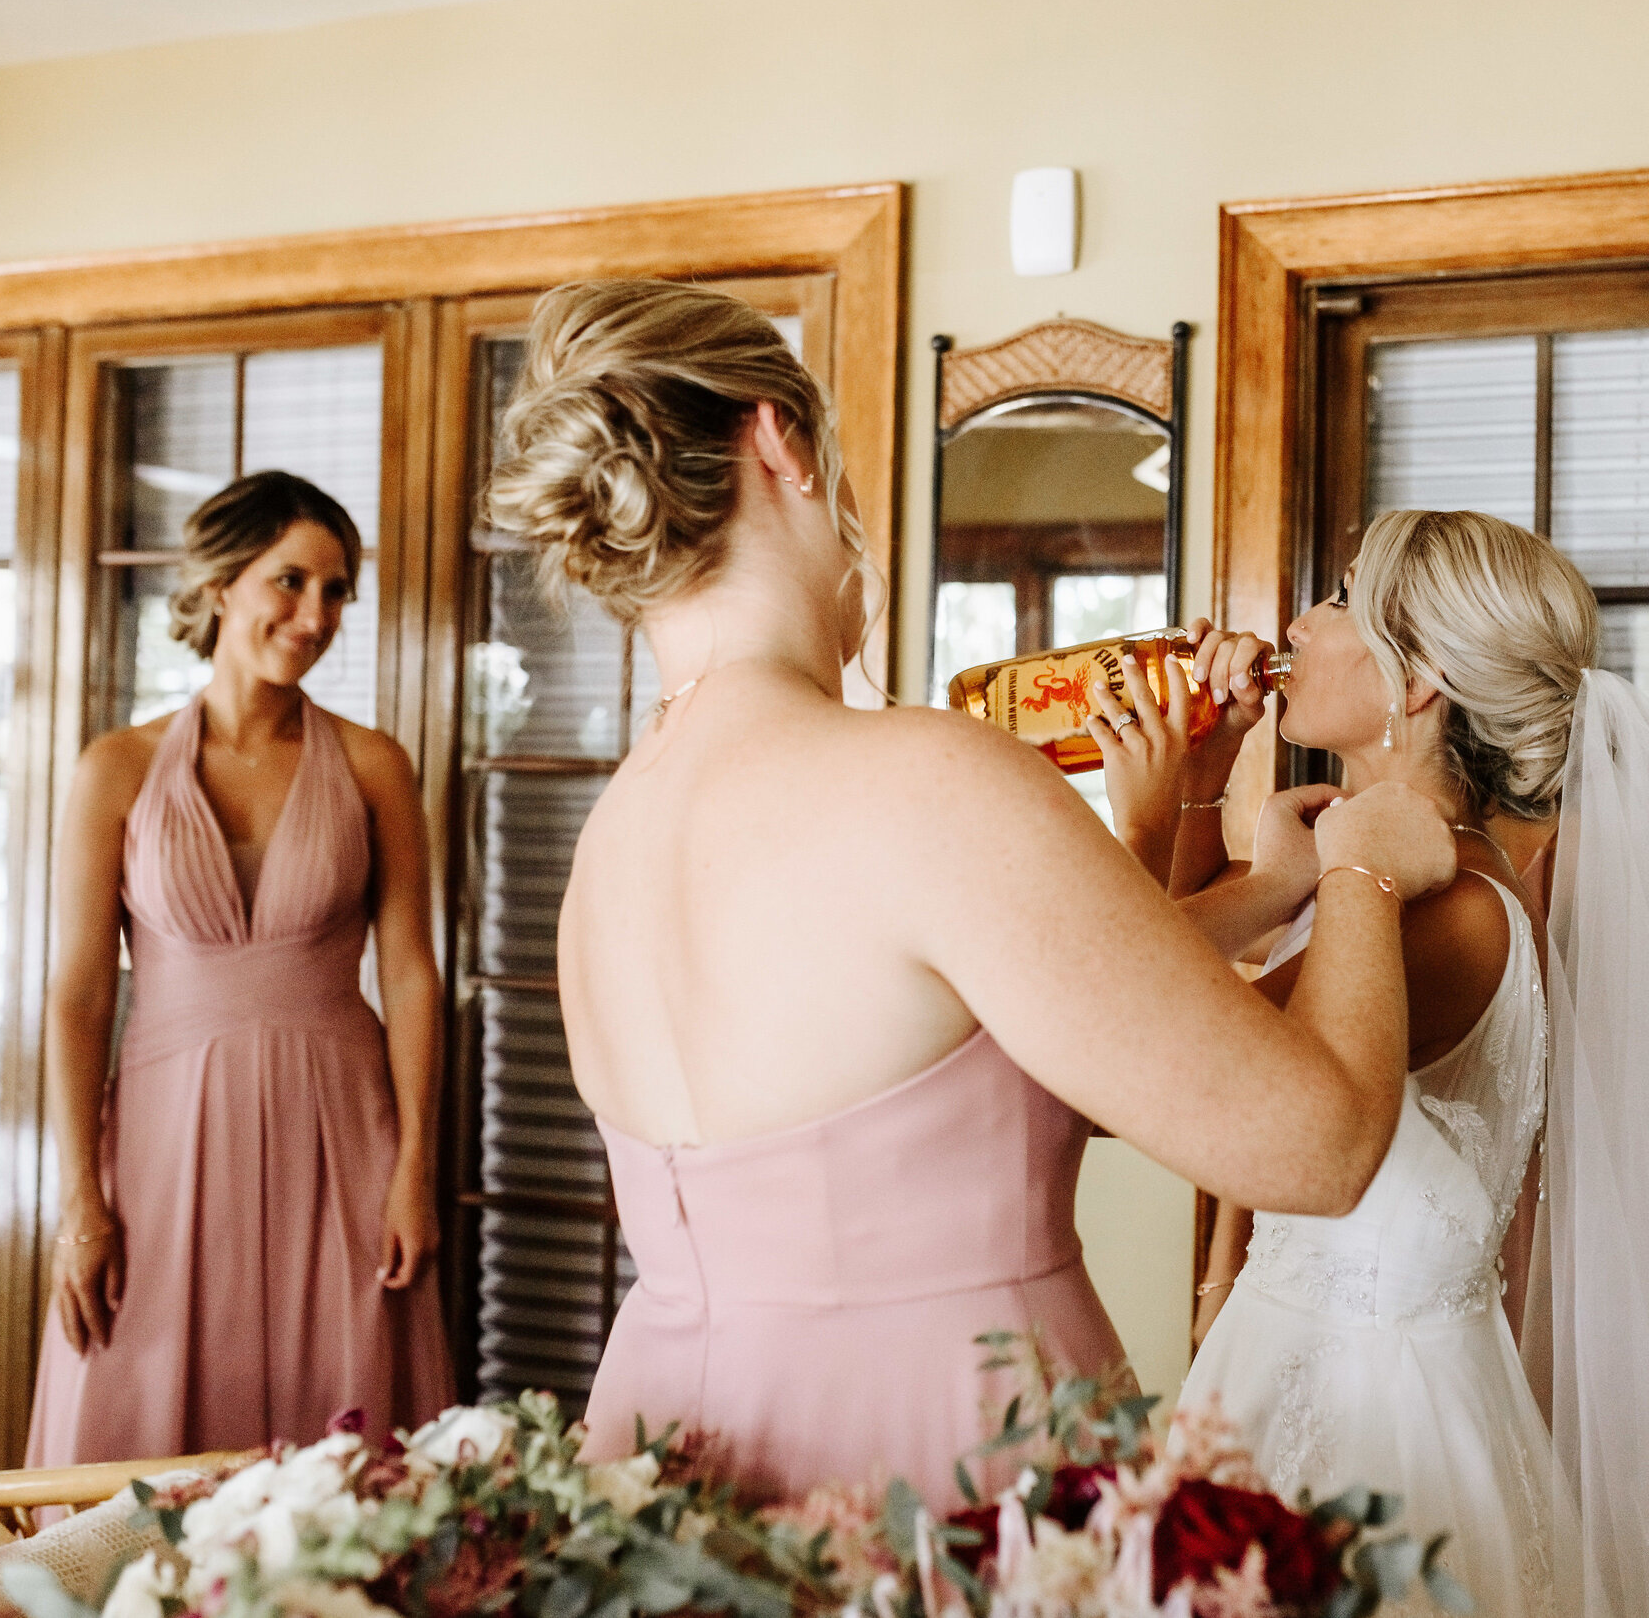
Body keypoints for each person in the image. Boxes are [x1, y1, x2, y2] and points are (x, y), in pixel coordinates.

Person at [482, 279, 1456, 1507]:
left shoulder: (614, 831)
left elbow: (961, 1028)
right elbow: (1314, 1148)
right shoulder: (923, 774)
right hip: (932, 1452)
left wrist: (1264, 887)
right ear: (779, 445)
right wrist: (1365, 867)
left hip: (665, 1454)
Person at [1101, 509, 1649, 1618]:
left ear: (1418, 682)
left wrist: (1145, 813)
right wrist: (1212, 783)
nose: (1300, 621)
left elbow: (1172, 1051)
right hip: (1297, 1358)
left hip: (1368, 1424)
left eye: (1343, 599)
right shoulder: (1383, 870)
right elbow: (1219, 1004)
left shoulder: (1441, 913)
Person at [27, 472, 453, 1464]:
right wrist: (80, 1199)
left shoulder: (375, 764)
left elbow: (413, 977)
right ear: (223, 584)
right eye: (291, 581)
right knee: (134, 1394)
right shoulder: (116, 769)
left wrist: (415, 1170)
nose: (315, 615)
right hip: (162, 1136)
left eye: (338, 590)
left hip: (343, 1128)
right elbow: (79, 994)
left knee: (339, 1411)